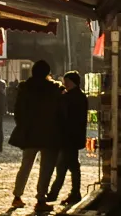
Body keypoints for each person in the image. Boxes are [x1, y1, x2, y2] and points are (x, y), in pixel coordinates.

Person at [8, 60, 64, 212]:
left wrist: (23, 126)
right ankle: (40, 199)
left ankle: (17, 196)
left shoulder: (25, 88)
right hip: (49, 133)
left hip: (30, 133)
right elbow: (60, 112)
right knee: (46, 168)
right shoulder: (54, 89)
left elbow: (18, 110)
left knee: (25, 165)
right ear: (47, 73)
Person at [46, 71, 89, 205]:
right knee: (69, 166)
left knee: (65, 166)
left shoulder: (69, 98)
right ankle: (66, 193)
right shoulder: (80, 96)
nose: (64, 83)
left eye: (66, 81)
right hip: (74, 137)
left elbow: (63, 117)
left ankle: (57, 194)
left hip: (67, 137)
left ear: (71, 82)